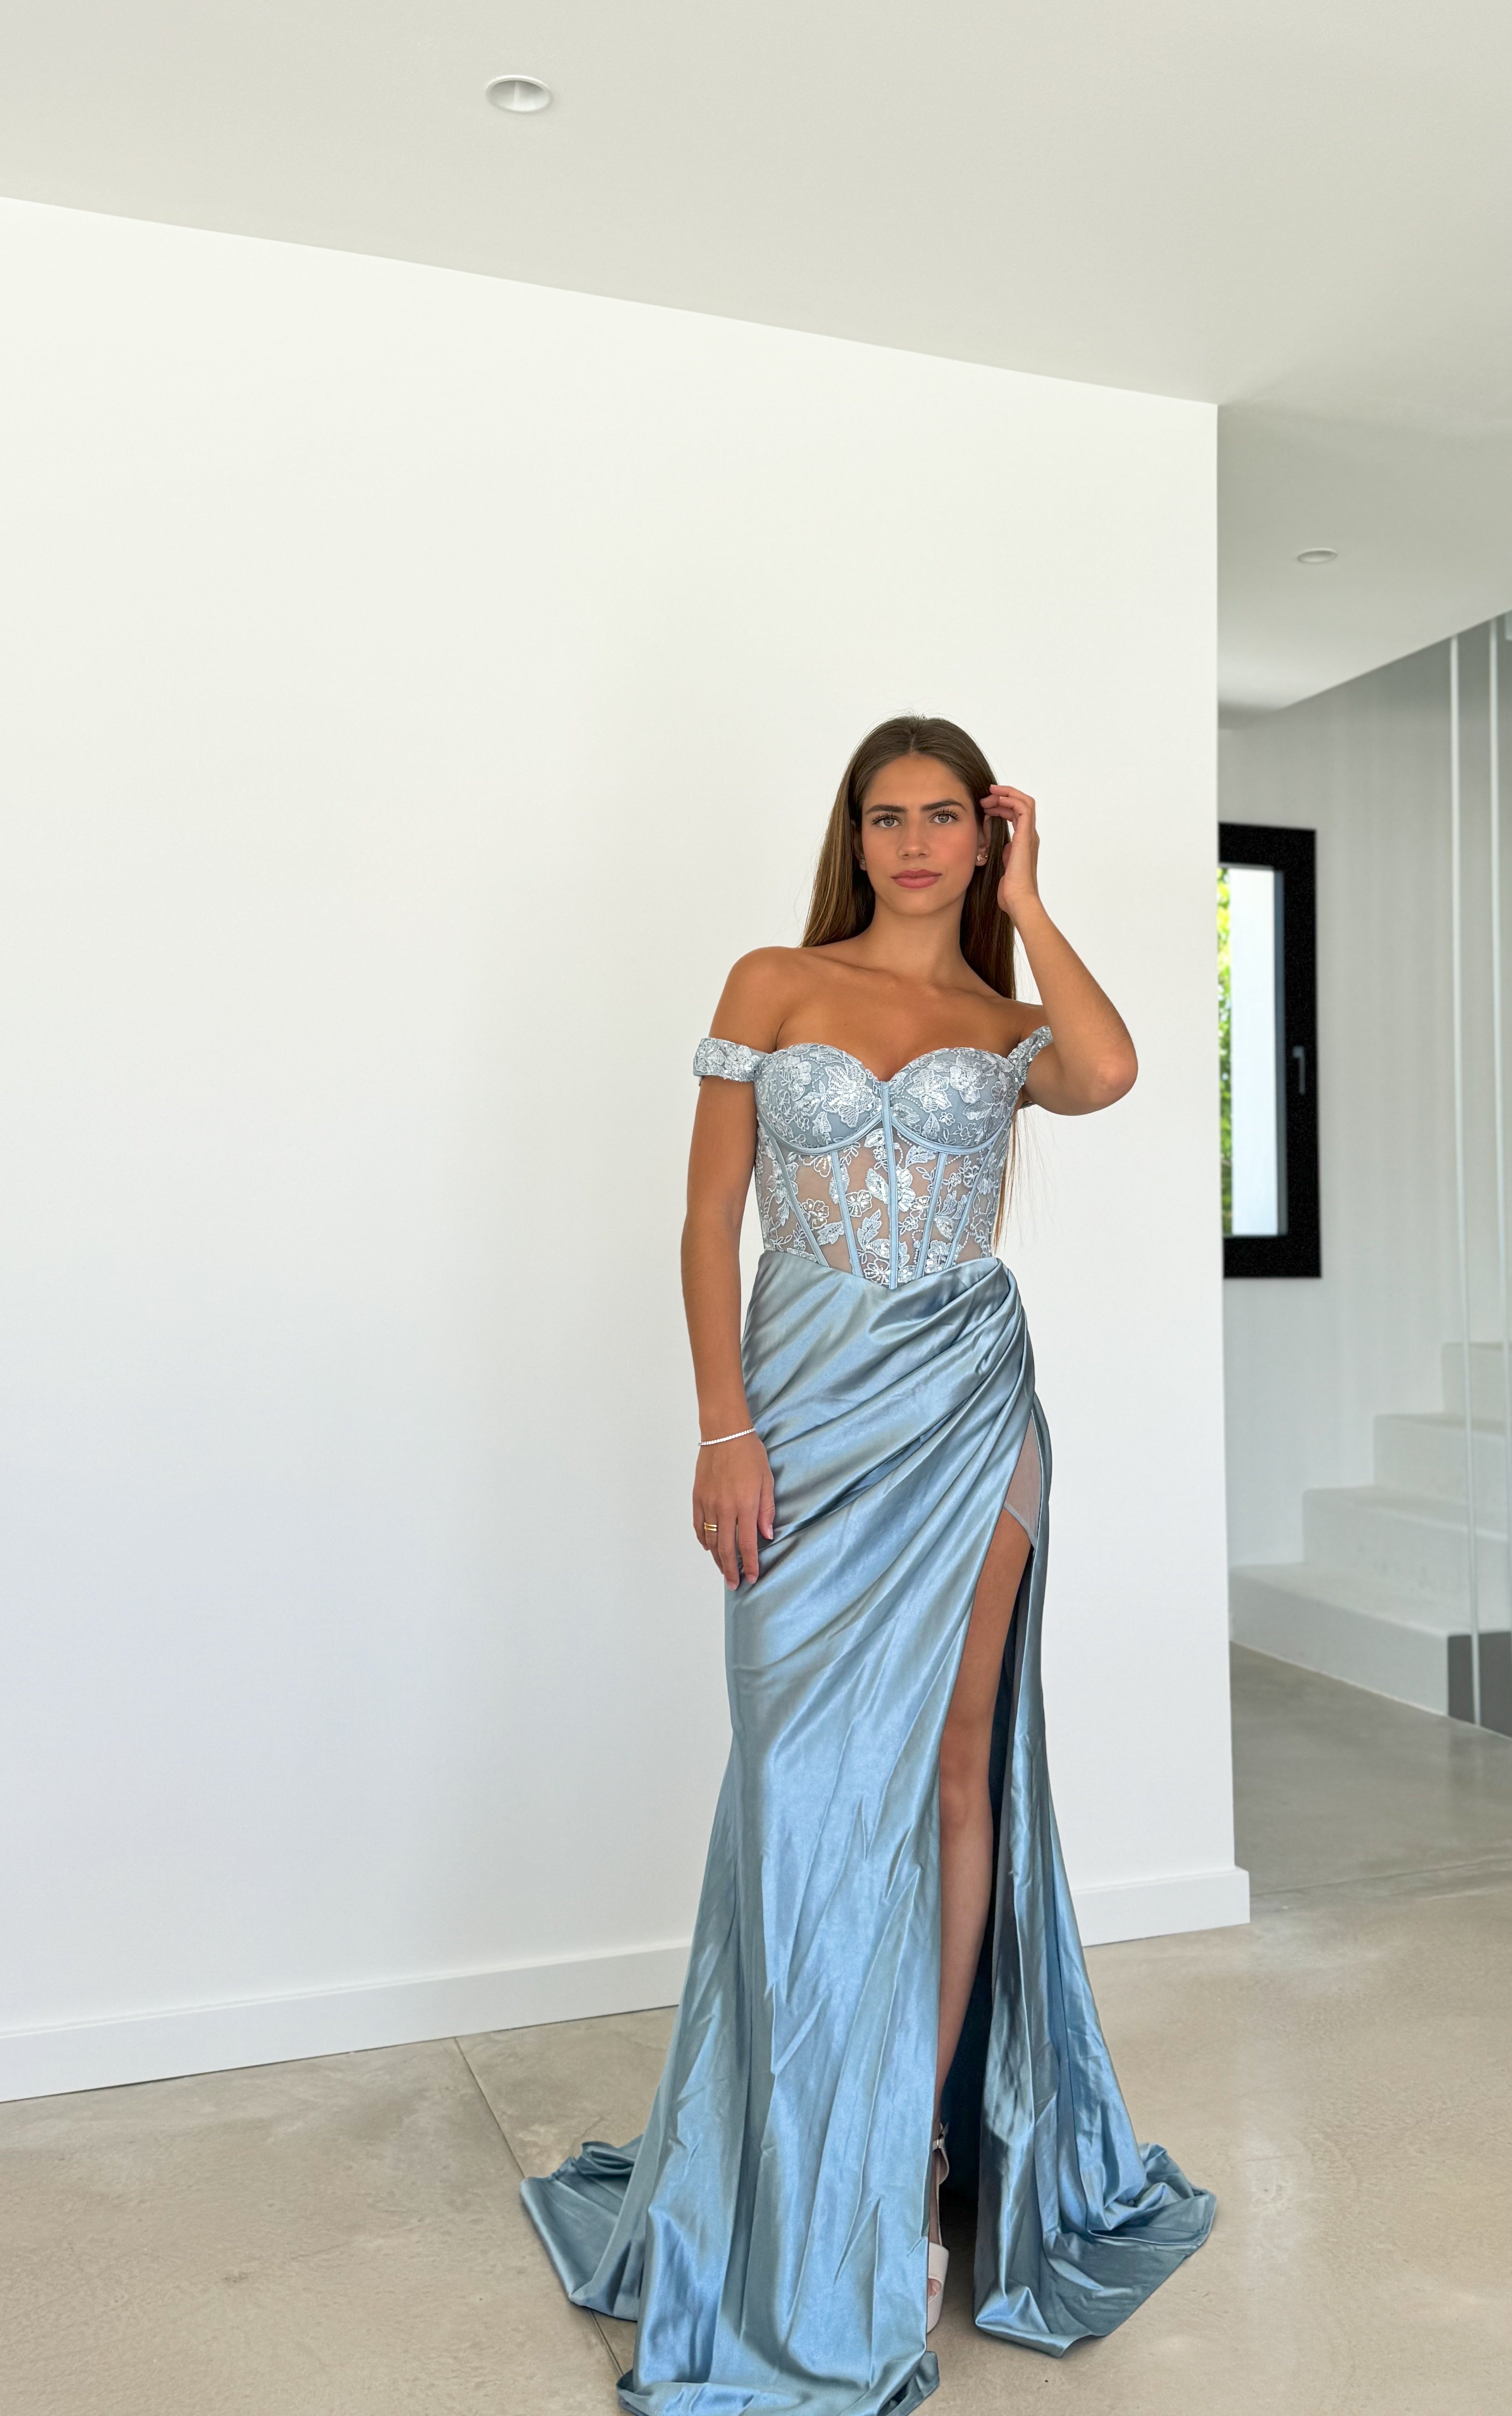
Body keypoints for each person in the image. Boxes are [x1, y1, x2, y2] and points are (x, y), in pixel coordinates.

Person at [522, 716, 1215, 2414]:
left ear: (983, 837)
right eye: (886, 816)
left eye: (946, 818)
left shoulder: (1008, 1023)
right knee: (793, 1786)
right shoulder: (773, 981)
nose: (913, 843)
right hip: (803, 1417)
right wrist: (723, 1427)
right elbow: (708, 1219)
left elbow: (1114, 1071)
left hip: (971, 1408)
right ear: (854, 836)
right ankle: (786, 2156)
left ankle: (904, 2156)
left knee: (959, 1770)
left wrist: (1032, 906)